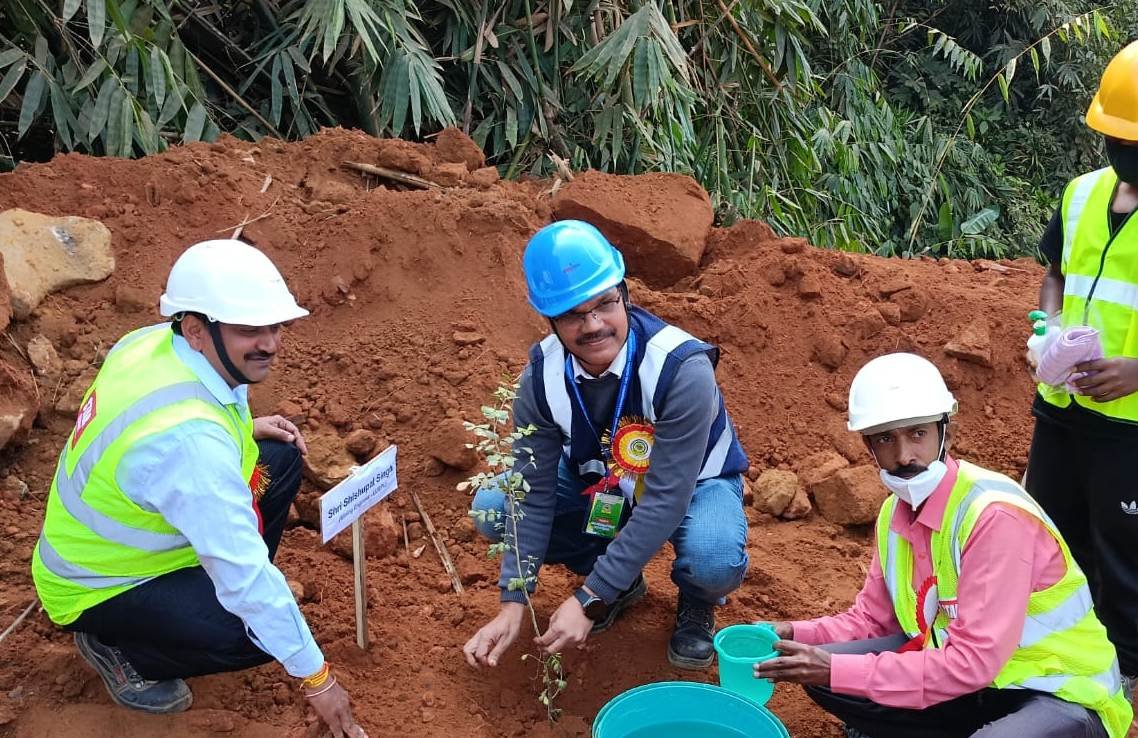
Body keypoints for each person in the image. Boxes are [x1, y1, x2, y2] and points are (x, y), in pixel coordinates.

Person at [31, 240, 367, 738]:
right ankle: (120, 651)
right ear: (196, 330)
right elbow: (182, 444)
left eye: (275, 326)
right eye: (249, 330)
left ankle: (211, 591)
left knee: (277, 458)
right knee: (256, 636)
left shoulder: (150, 342)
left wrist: (242, 429)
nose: (270, 343)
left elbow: (157, 426)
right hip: (100, 582)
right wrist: (316, 678)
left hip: (143, 536)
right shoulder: (188, 445)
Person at [756, 353, 1132, 738]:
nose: (904, 456)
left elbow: (972, 663)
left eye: (917, 433)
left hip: (1057, 693)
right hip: (975, 689)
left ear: (945, 433)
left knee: (838, 671)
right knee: (820, 672)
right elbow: (871, 621)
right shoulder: (893, 514)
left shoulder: (992, 516)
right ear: (869, 446)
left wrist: (836, 668)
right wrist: (792, 633)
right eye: (886, 438)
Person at [462, 220, 750, 670]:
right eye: (574, 314)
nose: (594, 325)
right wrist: (513, 600)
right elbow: (532, 494)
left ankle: (696, 601)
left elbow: (666, 499)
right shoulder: (540, 379)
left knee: (712, 559)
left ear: (625, 295)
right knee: (495, 506)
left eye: (605, 304)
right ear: (550, 320)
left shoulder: (681, 369)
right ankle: (621, 579)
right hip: (599, 480)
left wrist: (590, 597)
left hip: (693, 483)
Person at [1024, 39, 1138, 694]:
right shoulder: (1080, 195)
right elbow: (1056, 275)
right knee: (1051, 543)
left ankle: (1125, 699)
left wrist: (1136, 372)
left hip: (1130, 430)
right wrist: (1049, 331)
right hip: (1062, 415)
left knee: (1127, 570)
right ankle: (1055, 673)